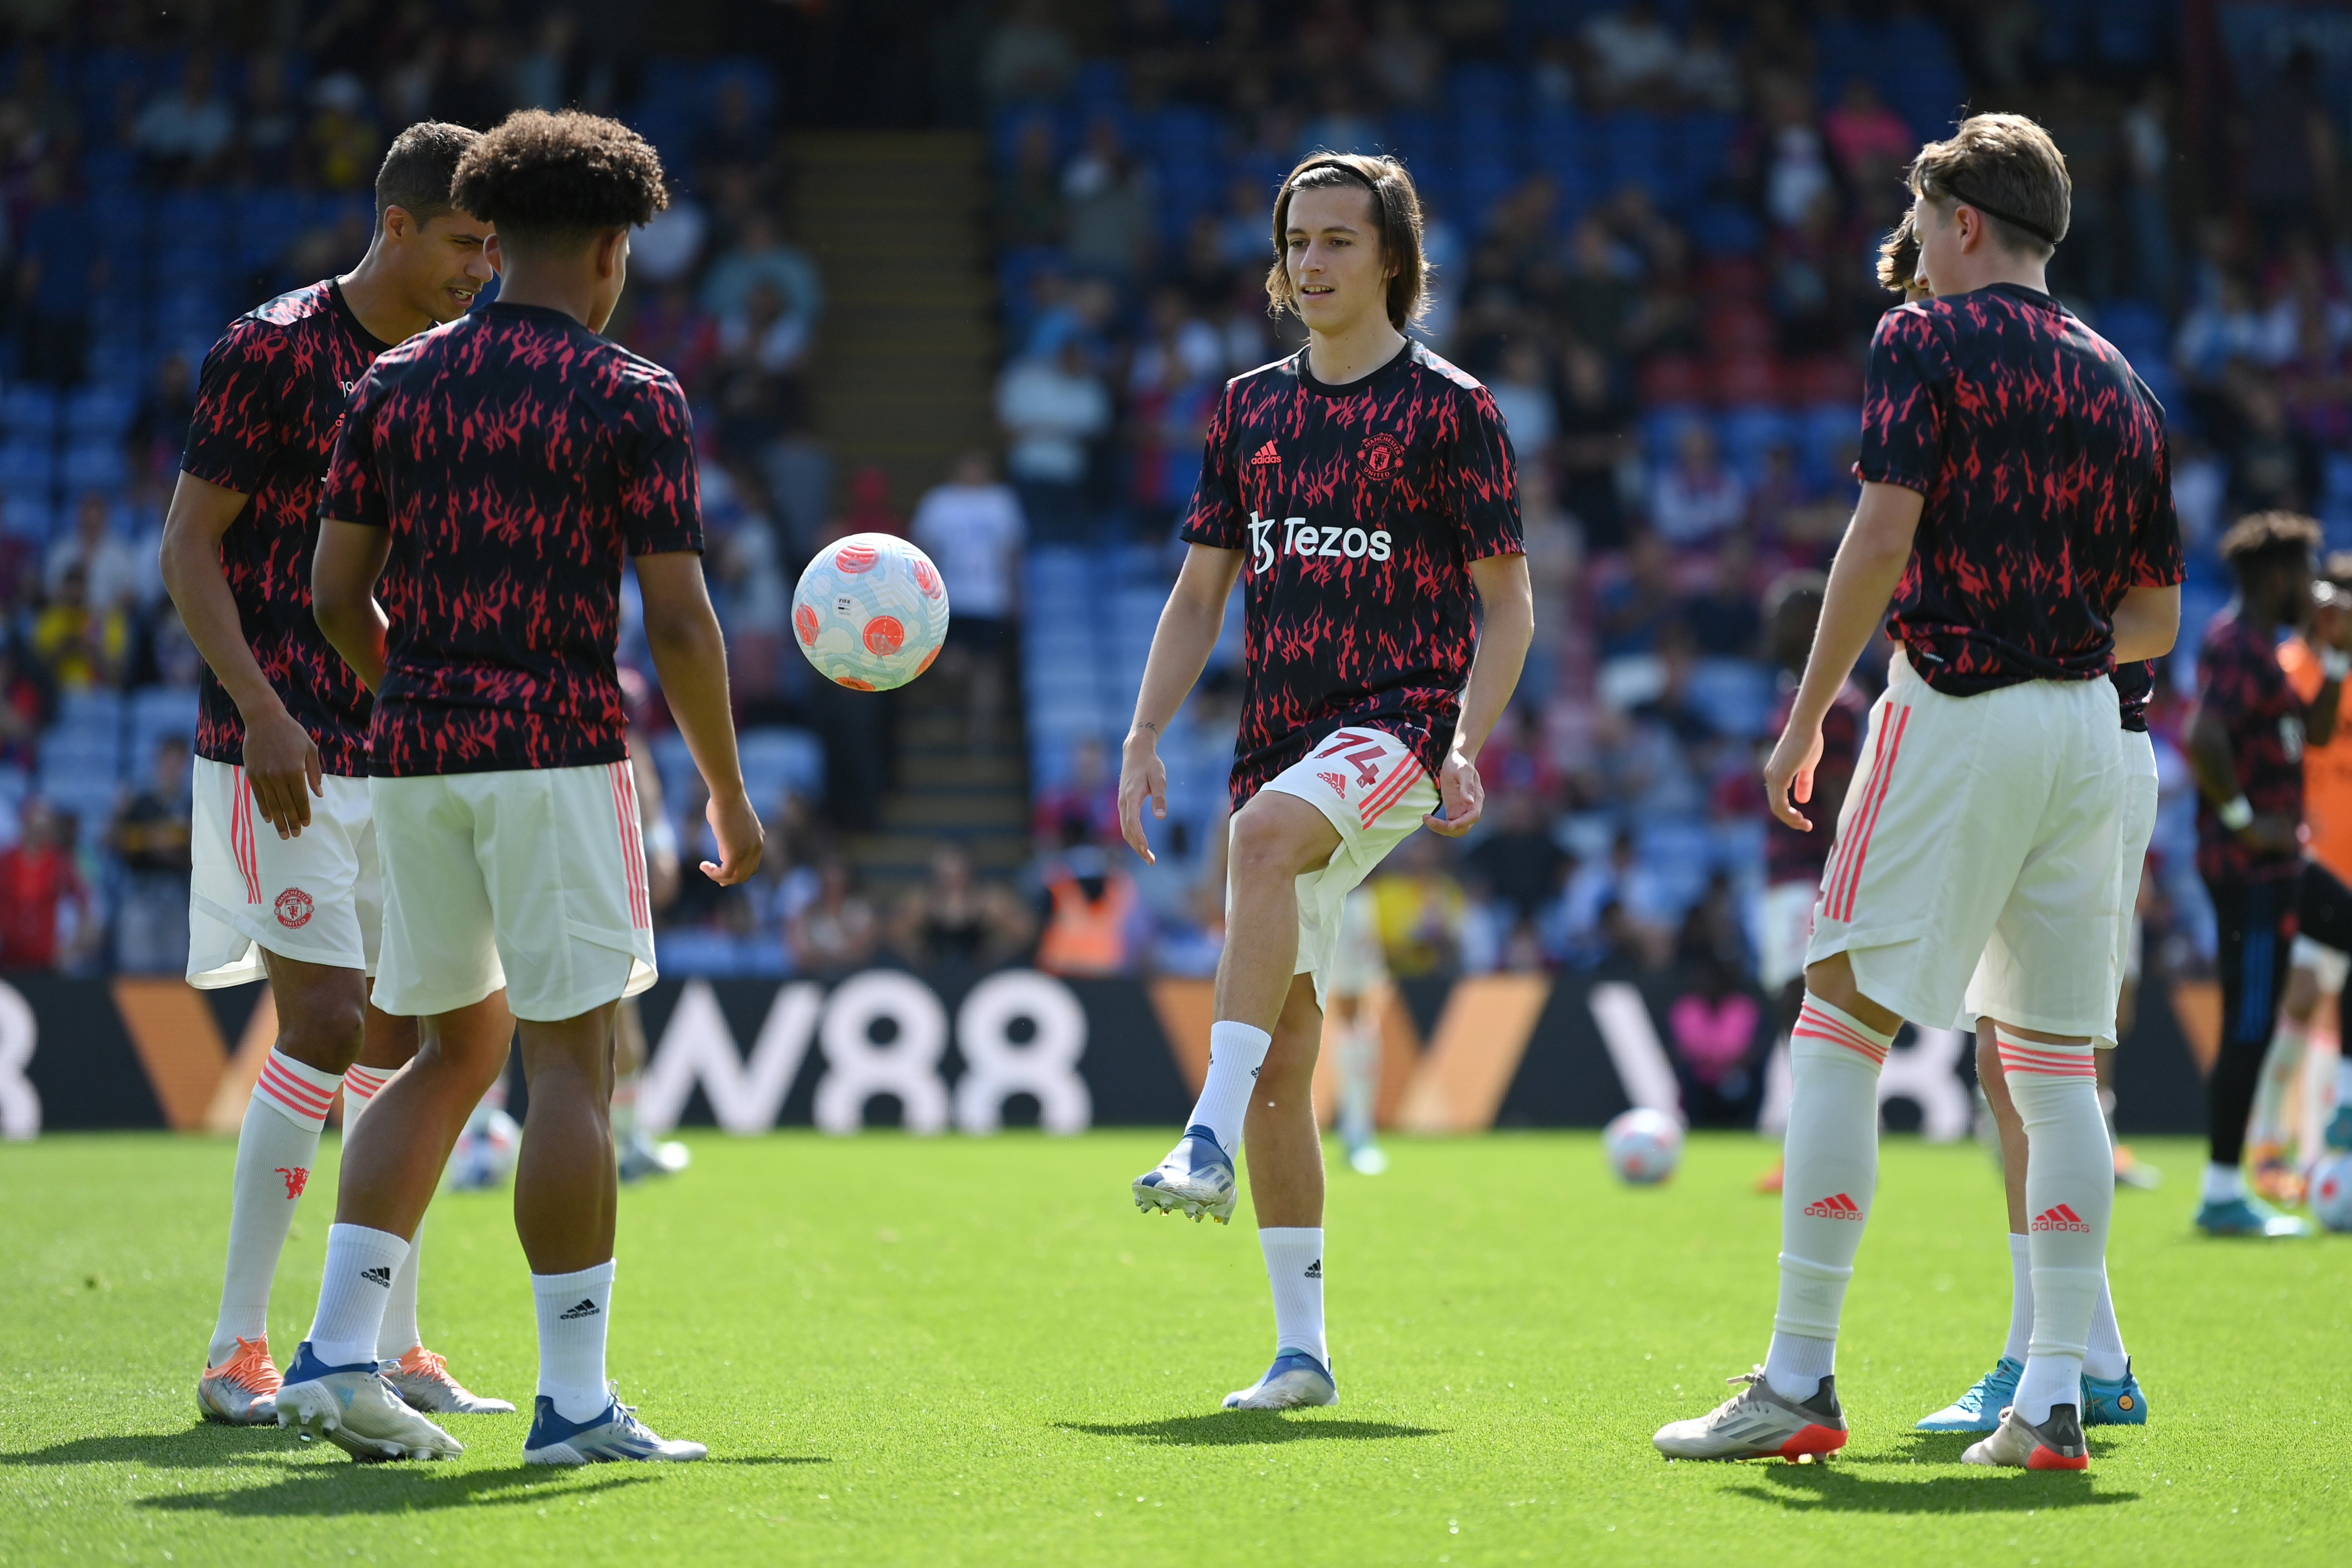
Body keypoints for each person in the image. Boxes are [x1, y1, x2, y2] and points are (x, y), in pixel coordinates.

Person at [1652, 114, 2182, 1472]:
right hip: (2086, 734)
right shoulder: (2124, 383)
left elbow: (1879, 533)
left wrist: (1804, 718)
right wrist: (2052, 636)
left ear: (1955, 223)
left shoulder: (1922, 341)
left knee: (1837, 1020)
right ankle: (2053, 1396)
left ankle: (1796, 1375)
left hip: (1955, 710)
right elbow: (2155, 617)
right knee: (2056, 1070)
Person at [288, 108, 762, 1467]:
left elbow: (331, 597)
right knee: (568, 1067)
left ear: (495, 241)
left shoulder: (393, 383)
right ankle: (571, 1403)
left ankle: (333, 1348)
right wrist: (727, 790)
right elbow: (677, 620)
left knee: (443, 1055)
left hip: (414, 751)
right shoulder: (632, 395)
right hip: (555, 748)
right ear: (610, 251)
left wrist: (419, 693)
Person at [1120, 152, 1531, 1412]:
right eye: (1297, 239)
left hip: (1399, 718)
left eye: (1339, 241)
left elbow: (1507, 607)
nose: (1311, 262)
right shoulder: (1245, 407)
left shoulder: (1451, 409)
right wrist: (1142, 735)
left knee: (1255, 838)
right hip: (1282, 732)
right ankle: (1301, 1351)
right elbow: (1200, 593)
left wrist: (1460, 733)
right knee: (1288, 1061)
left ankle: (1198, 1129)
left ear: (1392, 259)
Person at [156, 121, 506, 1430]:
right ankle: (236, 1345)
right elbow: (191, 548)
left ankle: (389, 1341)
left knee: (405, 1044)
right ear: (400, 224)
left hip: (403, 747)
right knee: (325, 1022)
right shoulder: (273, 348)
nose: (484, 266)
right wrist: (260, 707)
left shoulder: (455, 368)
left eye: (495, 245)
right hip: (282, 744)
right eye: (467, 241)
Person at [2182, 512, 2346, 1238]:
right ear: (2277, 575)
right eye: (2306, 574)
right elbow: (2203, 736)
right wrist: (2246, 819)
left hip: (2280, 865)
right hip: (2248, 866)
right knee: (2250, 1025)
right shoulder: (2234, 645)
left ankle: (2341, 1102)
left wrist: (2335, 660)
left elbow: (2310, 732)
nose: (2312, 592)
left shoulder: (2268, 651)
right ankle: (2220, 1191)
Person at [1751, 572, 1867, 1195]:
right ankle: (1809, 1146)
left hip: (1812, 874)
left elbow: (1841, 795)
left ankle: (1820, 1151)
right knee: (1787, 1005)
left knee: (1804, 1008)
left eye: (1782, 616)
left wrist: (1839, 875)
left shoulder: (1836, 704)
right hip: (1784, 873)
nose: (1771, 629)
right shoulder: (1796, 695)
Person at [2246, 554, 2352, 1189]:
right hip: (2309, 870)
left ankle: (2328, 1128)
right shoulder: (2289, 670)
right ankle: (2267, 1143)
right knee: (2304, 995)